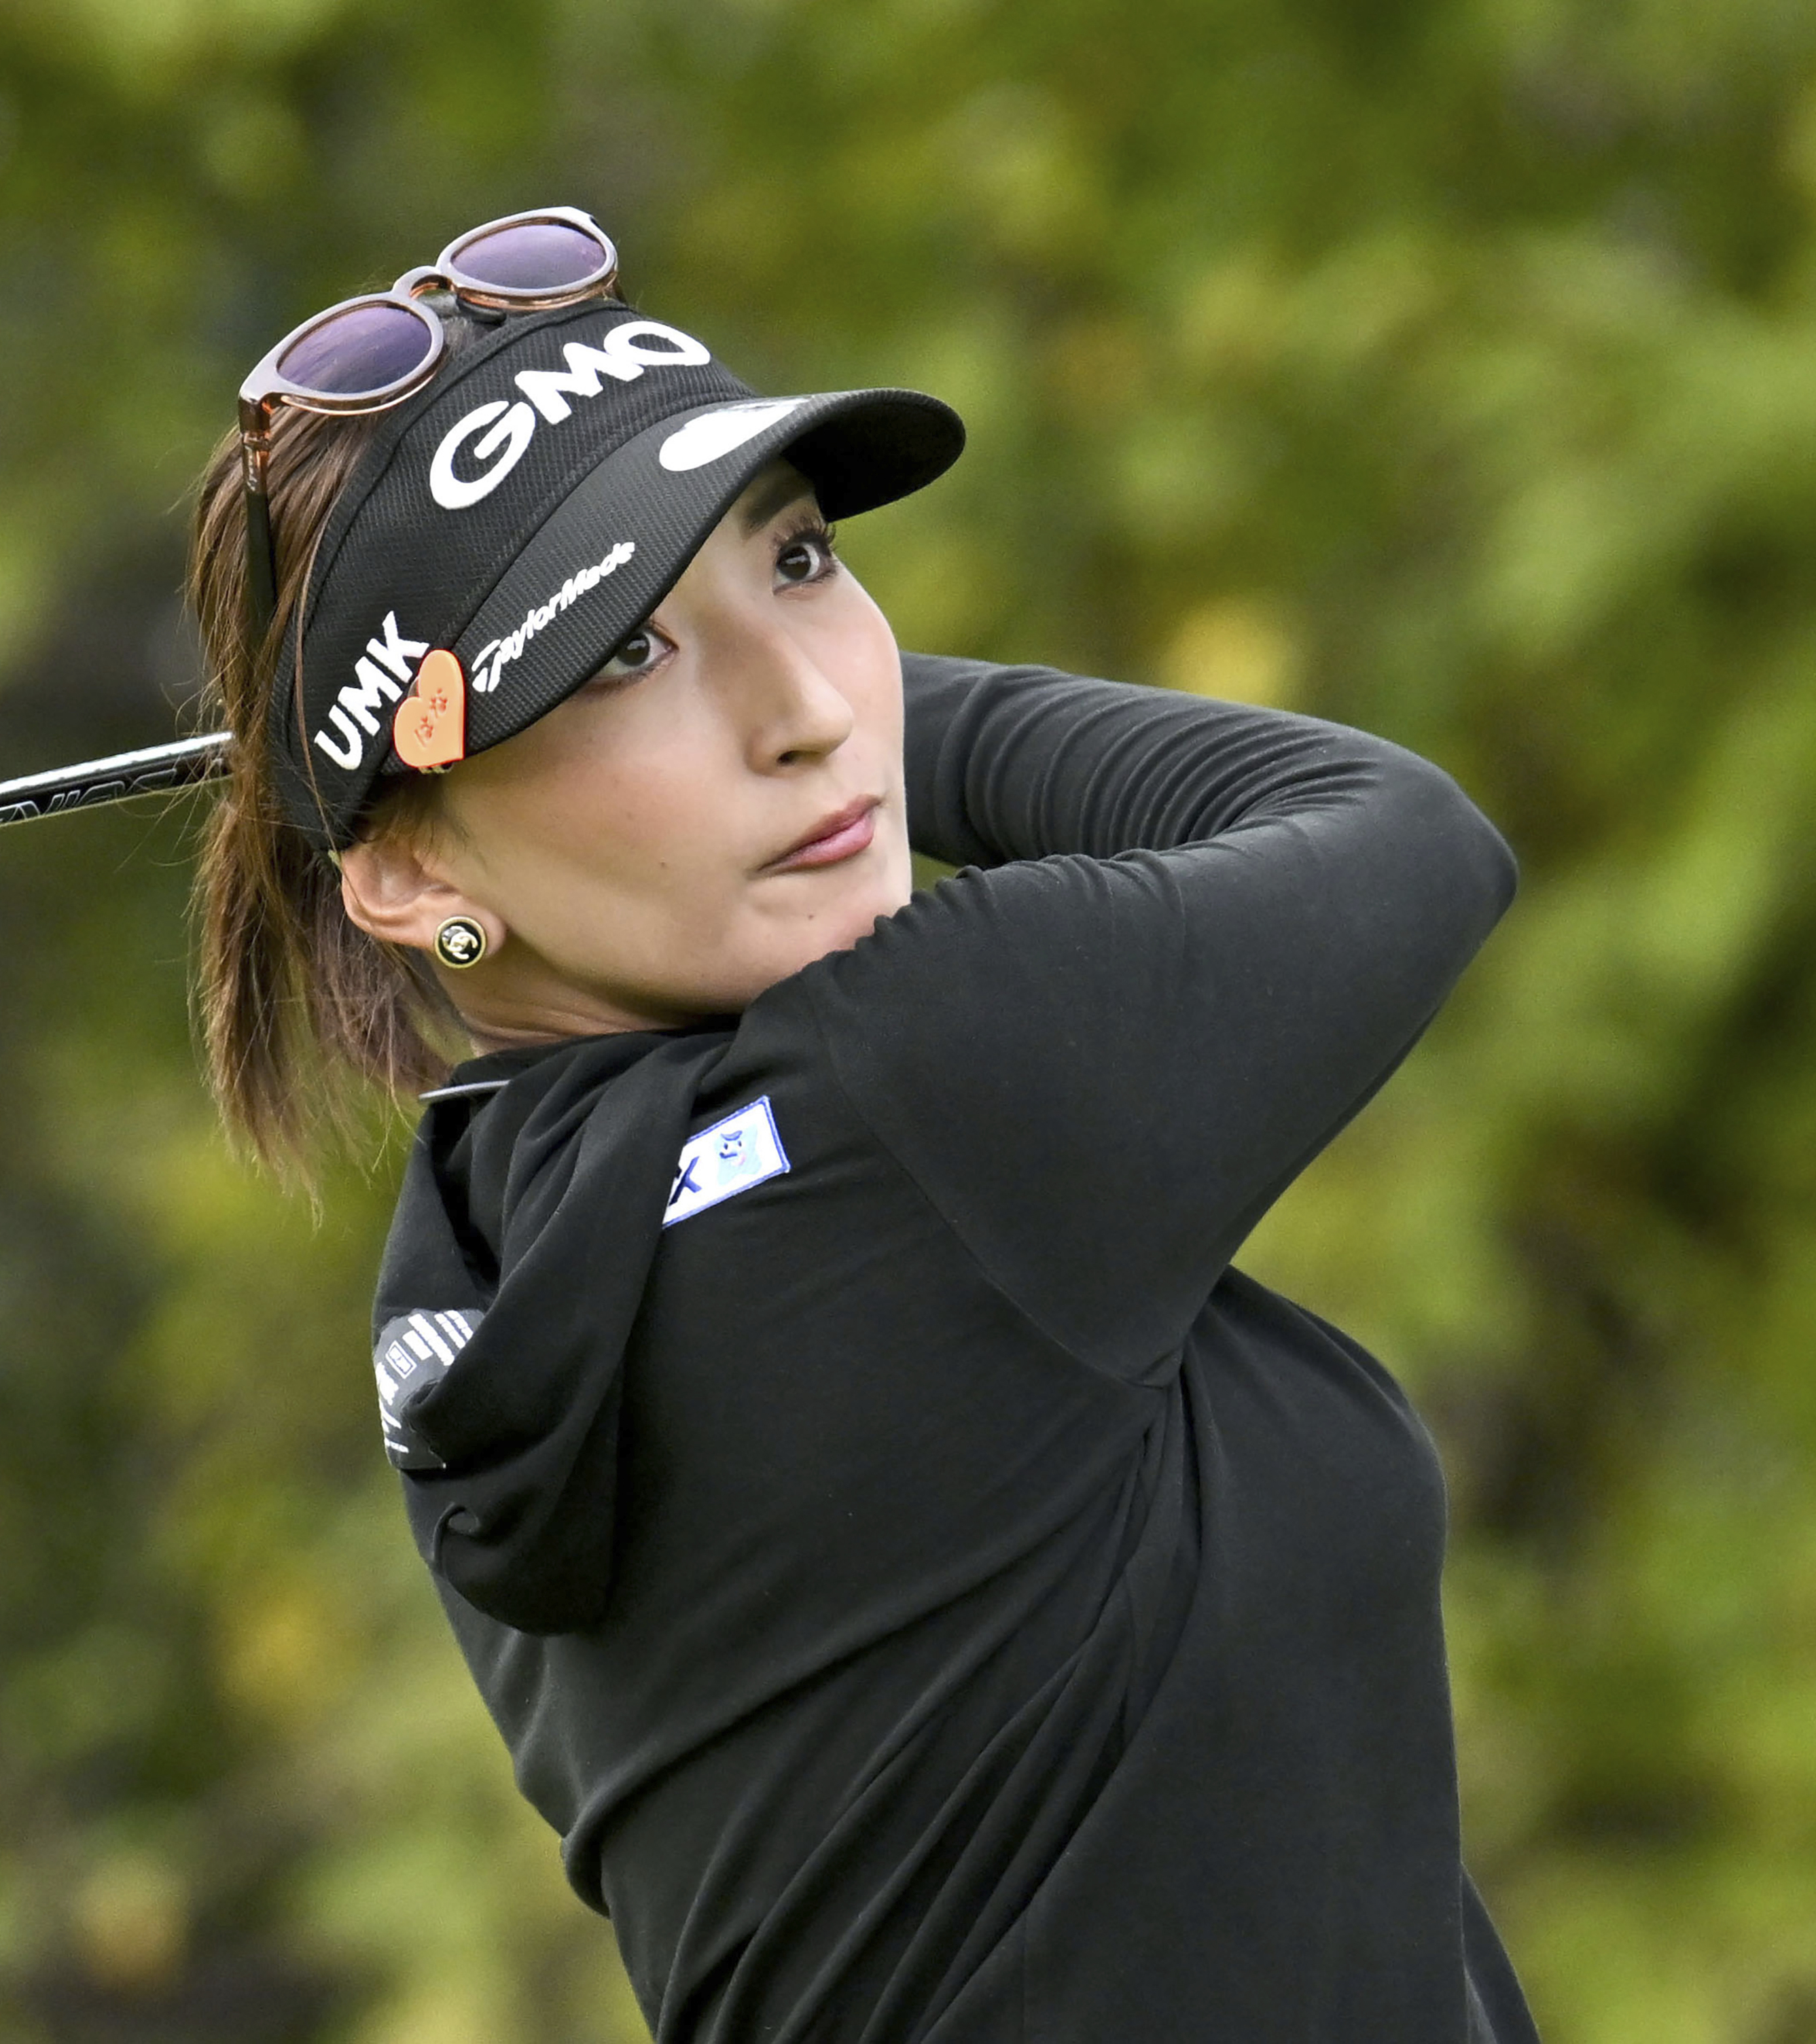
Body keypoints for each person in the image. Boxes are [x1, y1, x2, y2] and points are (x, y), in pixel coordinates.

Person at [185, 208, 1539, 2043]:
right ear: (412, 868)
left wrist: (792, 725)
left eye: (801, 562)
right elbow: (1391, 838)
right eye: (617, 661)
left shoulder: (476, 1250)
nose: (805, 708)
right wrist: (899, 739)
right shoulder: (918, 1098)